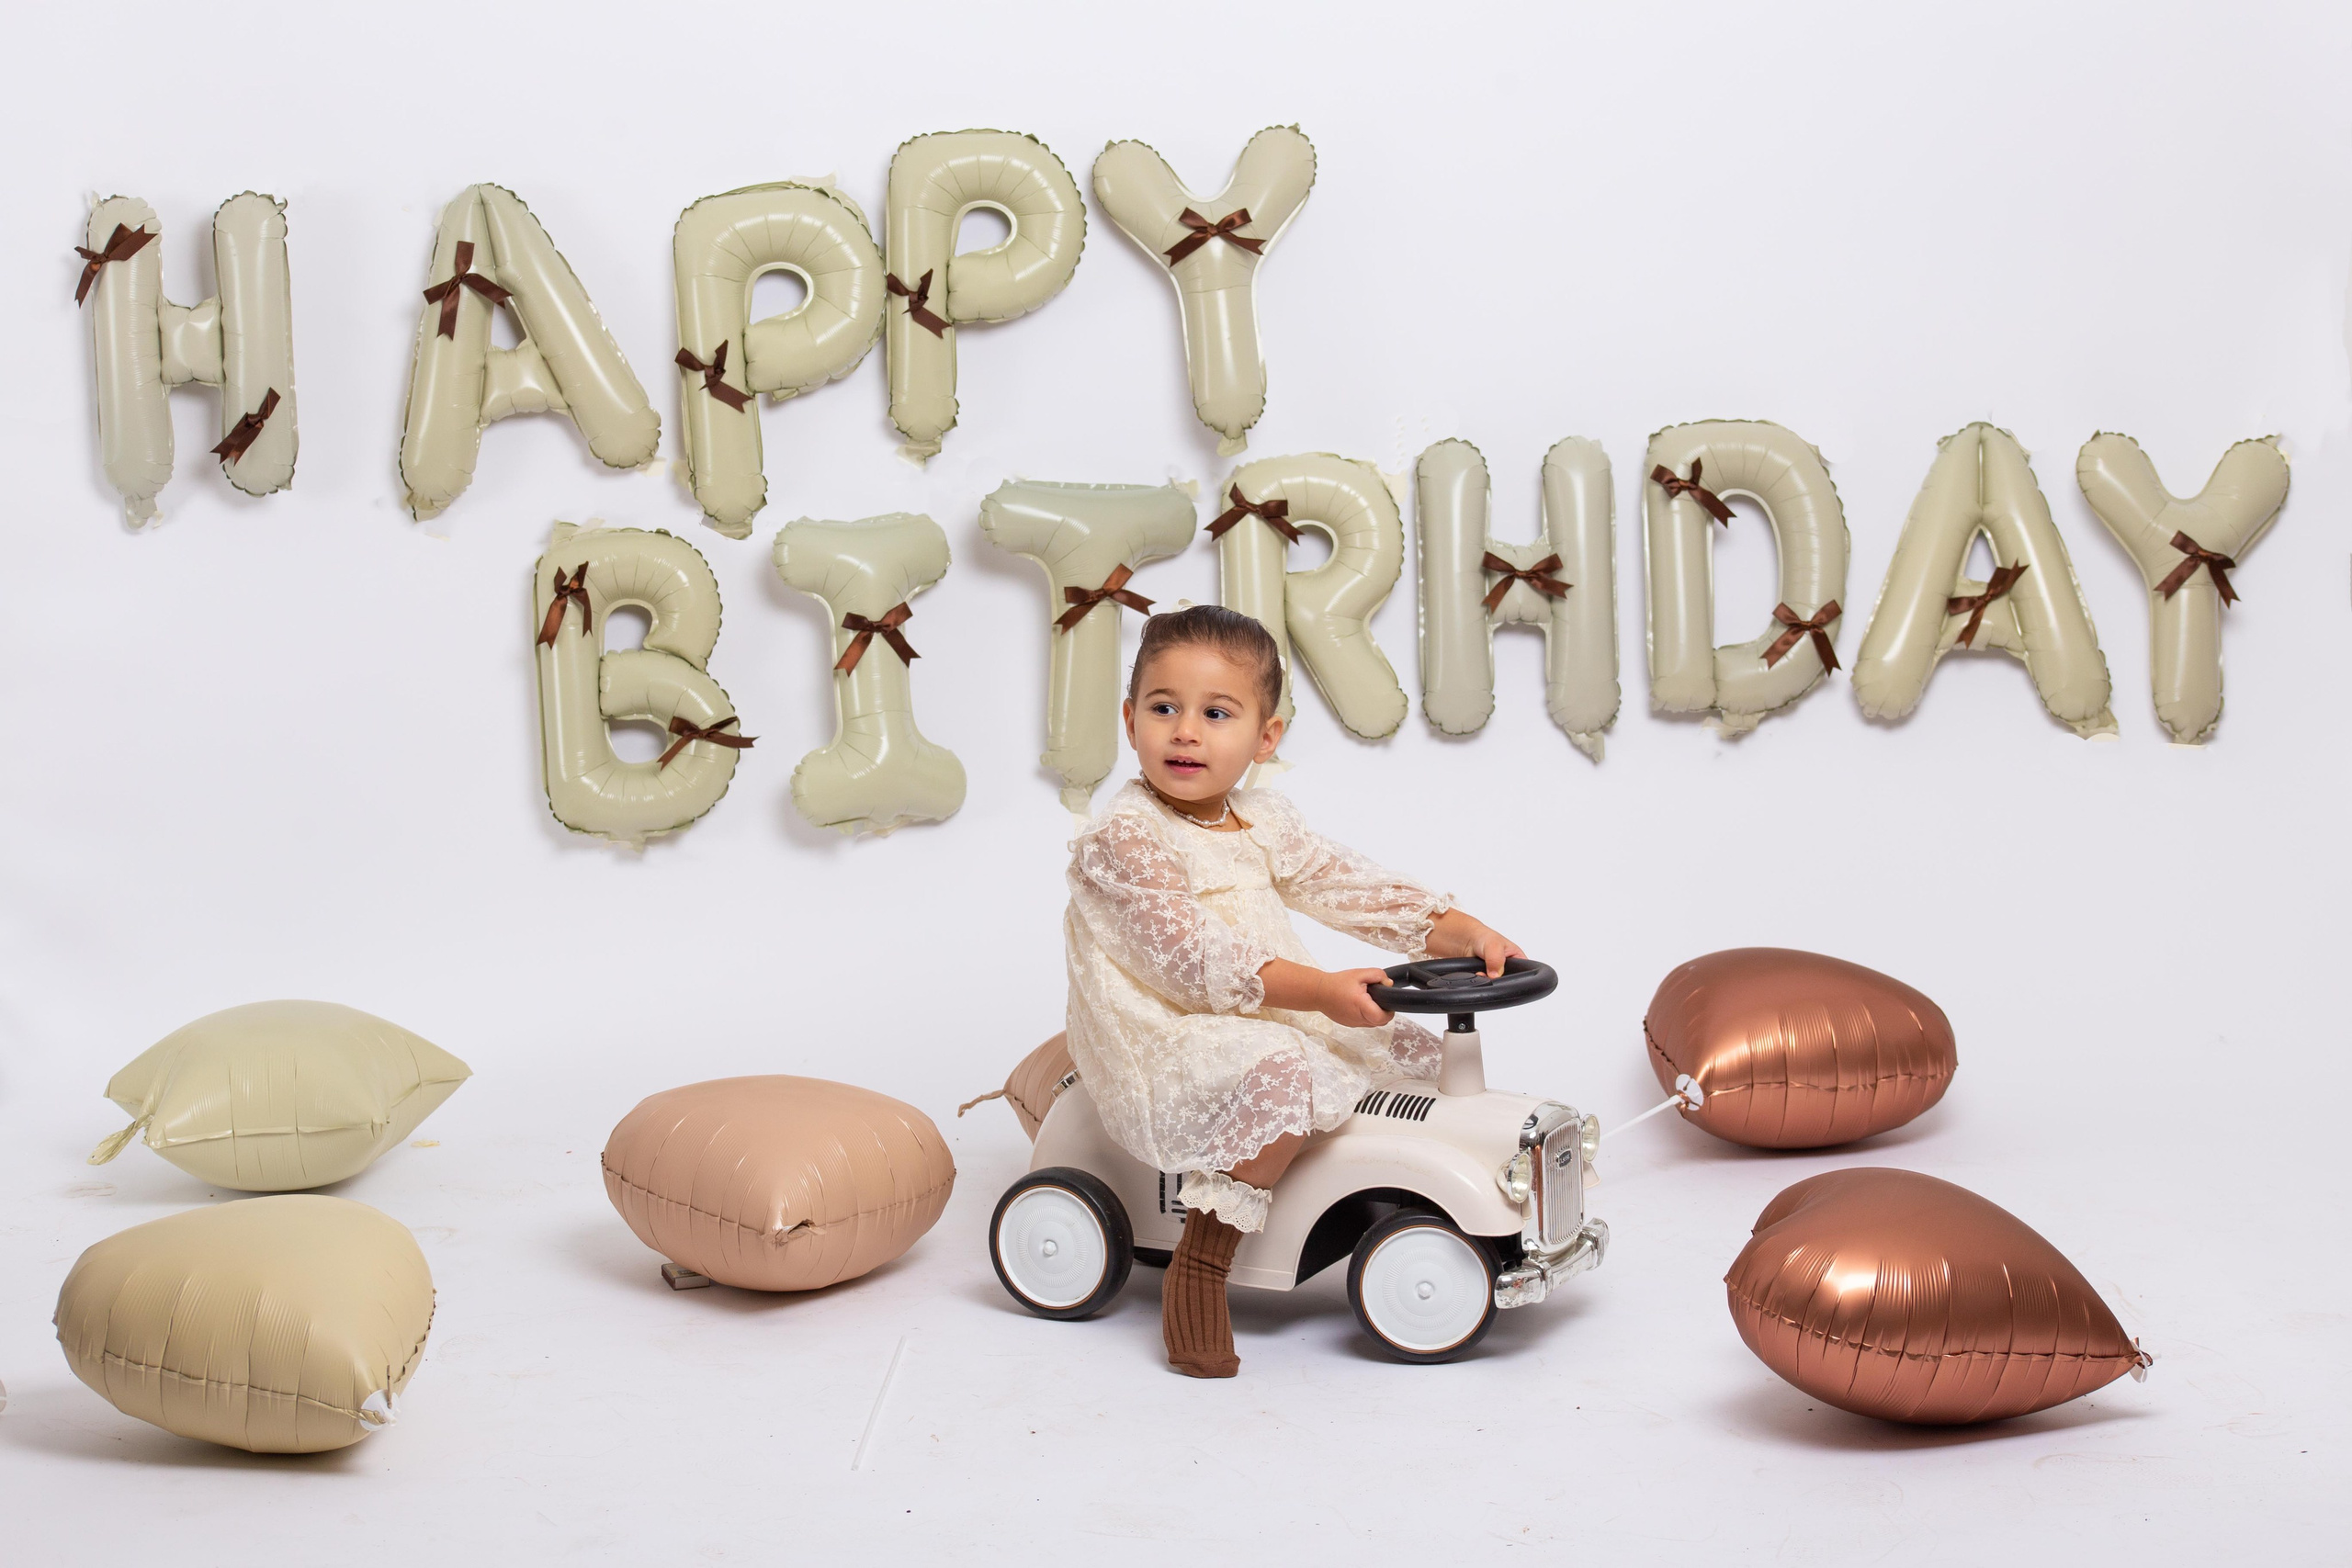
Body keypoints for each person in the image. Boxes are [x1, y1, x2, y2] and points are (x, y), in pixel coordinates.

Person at [1063, 604, 1523, 1377]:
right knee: (1287, 1071)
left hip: (1261, 1003)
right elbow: (1190, 959)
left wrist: (1464, 931)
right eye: (1164, 708)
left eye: (1217, 713)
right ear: (1130, 718)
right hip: (1161, 1028)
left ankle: (1412, 1213)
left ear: (1265, 737)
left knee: (1405, 1047)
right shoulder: (1127, 837)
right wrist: (1318, 991)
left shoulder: (1259, 817)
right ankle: (1204, 1261)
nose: (1185, 732)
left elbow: (1350, 884)